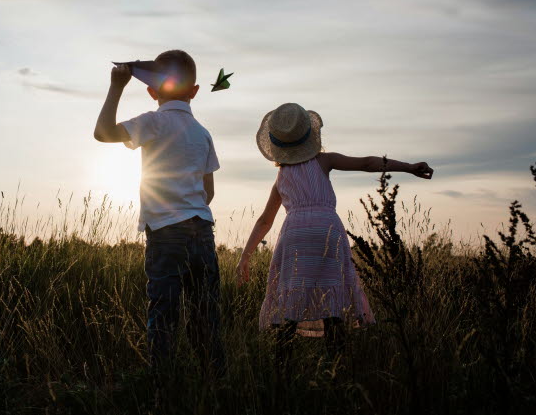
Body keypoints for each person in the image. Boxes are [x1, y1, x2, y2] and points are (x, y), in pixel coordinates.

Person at [236, 103, 433, 369]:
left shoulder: (281, 177)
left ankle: (281, 373)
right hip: (327, 231)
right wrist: (408, 167)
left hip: (294, 236)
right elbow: (366, 163)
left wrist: (244, 257)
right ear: (310, 135)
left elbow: (264, 220)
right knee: (333, 306)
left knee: (291, 303)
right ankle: (336, 369)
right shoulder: (323, 161)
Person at [94, 50, 224, 379]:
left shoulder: (153, 122)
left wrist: (117, 86)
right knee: (205, 315)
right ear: (194, 91)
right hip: (203, 232)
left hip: (166, 234)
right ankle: (214, 384)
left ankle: (162, 389)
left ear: (152, 92)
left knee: (164, 316)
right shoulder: (203, 133)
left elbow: (102, 132)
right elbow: (208, 193)